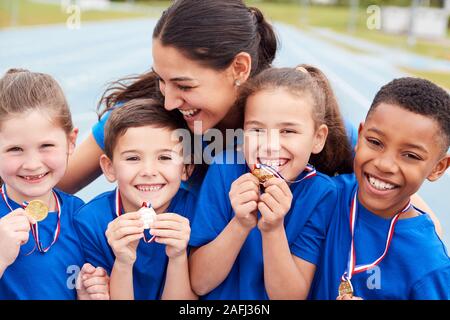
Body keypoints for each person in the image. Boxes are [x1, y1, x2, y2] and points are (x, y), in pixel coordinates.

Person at [57, 0, 358, 195]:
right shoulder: (143, 119)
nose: (169, 102)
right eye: (162, 80)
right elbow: (51, 187)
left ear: (239, 68)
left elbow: (399, 193)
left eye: (185, 86)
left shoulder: (300, 115)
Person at [188, 65, 351, 299]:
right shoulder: (225, 169)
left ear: (318, 138)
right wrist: (240, 223)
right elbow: (199, 283)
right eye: (257, 129)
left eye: (288, 131)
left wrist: (273, 229)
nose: (271, 145)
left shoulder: (321, 193)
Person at [298, 77, 450, 300]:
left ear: (438, 168)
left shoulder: (429, 264)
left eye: (410, 155)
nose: (384, 164)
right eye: (376, 142)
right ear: (360, 136)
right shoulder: (324, 196)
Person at [0, 69, 109, 300]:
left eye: (46, 146)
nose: (32, 164)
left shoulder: (83, 216)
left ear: (71, 142)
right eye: (15, 149)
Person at [73, 99, 197, 300]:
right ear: (109, 167)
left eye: (165, 158)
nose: (148, 171)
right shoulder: (89, 222)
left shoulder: (196, 211)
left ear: (186, 167)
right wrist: (123, 262)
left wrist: (177, 257)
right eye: (133, 158)